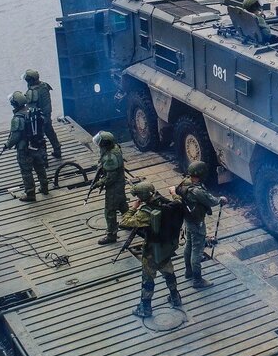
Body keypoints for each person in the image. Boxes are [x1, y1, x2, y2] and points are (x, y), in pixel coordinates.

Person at [120, 181, 183, 316]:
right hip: (167, 246)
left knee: (148, 279)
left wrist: (133, 208)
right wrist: (173, 193)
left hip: (152, 250)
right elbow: (179, 202)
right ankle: (175, 297)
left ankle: (145, 308)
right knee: (168, 272)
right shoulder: (168, 203)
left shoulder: (146, 212)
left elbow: (124, 222)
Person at [175, 160, 227, 288]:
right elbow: (211, 200)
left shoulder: (185, 183)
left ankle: (188, 271)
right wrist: (221, 199)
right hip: (197, 223)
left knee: (189, 246)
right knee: (197, 251)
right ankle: (197, 280)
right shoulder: (197, 191)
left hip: (188, 220)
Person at [2, 91, 48, 202]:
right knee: (40, 168)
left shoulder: (17, 118)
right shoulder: (33, 111)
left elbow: (15, 137)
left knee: (26, 172)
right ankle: (45, 188)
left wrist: (7, 145)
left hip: (25, 149)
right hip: (37, 145)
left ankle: (30, 193)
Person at [93, 130, 126, 245]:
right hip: (121, 183)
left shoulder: (110, 158)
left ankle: (111, 235)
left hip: (114, 187)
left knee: (110, 211)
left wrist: (99, 183)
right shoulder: (115, 148)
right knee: (122, 204)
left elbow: (110, 178)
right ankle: (129, 223)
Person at [23, 69, 62, 159]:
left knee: (38, 137)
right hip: (47, 113)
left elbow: (29, 106)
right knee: (50, 132)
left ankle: (43, 157)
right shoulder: (44, 85)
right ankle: (57, 149)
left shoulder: (32, 91)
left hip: (38, 117)